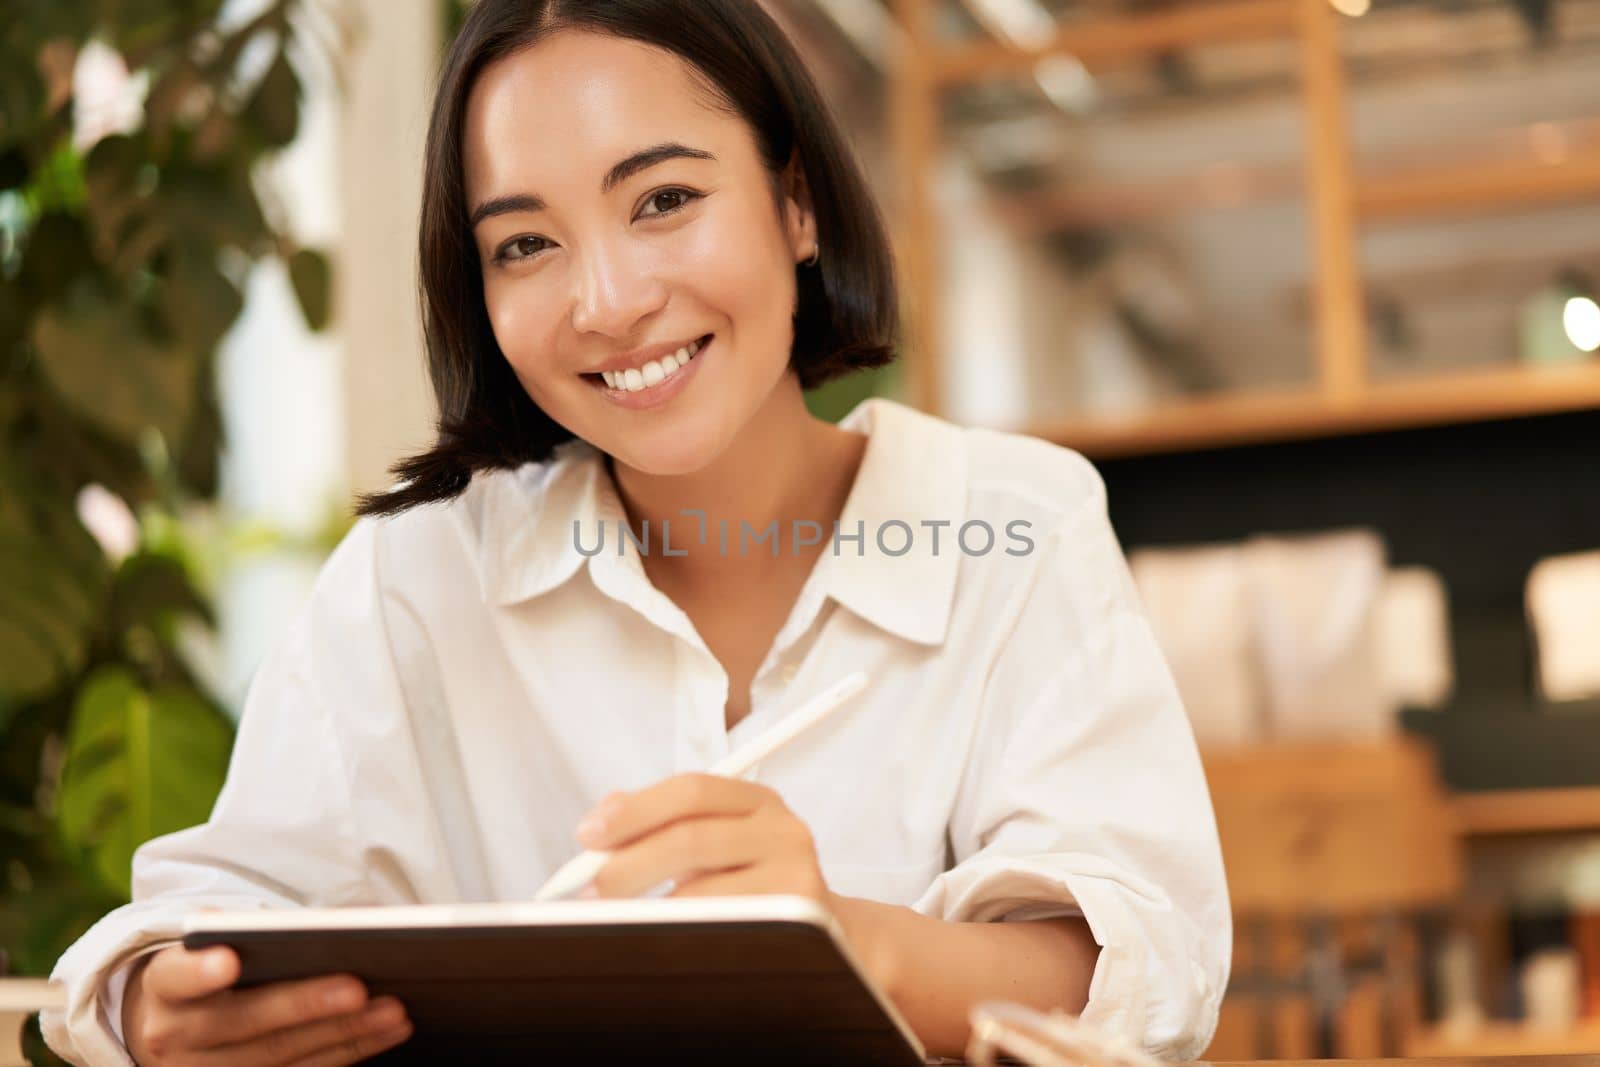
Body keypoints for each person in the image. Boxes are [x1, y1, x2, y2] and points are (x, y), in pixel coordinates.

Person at [43, 1, 1231, 1063]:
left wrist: (841, 941)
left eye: (663, 200)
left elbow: (1137, 970)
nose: (606, 301)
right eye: (525, 243)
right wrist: (159, 1005)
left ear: (797, 202)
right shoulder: (418, 577)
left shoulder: (1011, 526)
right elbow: (195, 918)